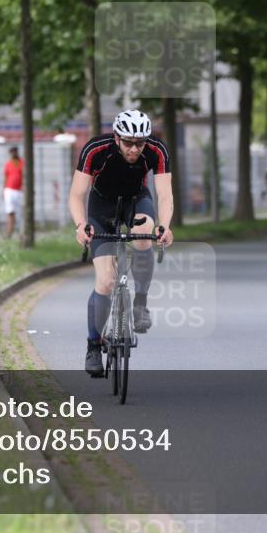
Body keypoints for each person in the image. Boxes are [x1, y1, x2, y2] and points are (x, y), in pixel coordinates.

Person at [70, 109, 175, 377]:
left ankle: (140, 301)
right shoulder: (95, 148)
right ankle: (94, 344)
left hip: (135, 200)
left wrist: (165, 225)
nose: (134, 149)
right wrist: (82, 226)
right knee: (105, 281)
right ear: (116, 138)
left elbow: (164, 194)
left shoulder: (157, 149)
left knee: (146, 234)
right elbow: (77, 194)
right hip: (101, 205)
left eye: (139, 143)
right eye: (128, 142)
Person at [3, 146, 24, 238]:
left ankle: (21, 232)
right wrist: (3, 189)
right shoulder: (8, 164)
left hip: (19, 190)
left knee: (20, 212)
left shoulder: (22, 163)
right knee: (10, 212)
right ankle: (9, 232)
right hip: (9, 190)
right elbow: (5, 177)